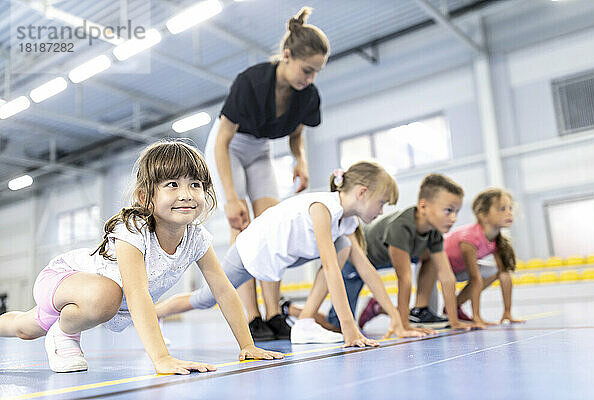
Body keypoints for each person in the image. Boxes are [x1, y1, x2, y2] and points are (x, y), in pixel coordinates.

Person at [0, 140, 283, 374]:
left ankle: (47, 326)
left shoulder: (196, 238)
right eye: (172, 184)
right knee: (106, 296)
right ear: (145, 195)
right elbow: (137, 293)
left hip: (91, 300)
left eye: (195, 184)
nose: (186, 194)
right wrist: (162, 358)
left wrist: (247, 344)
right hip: (64, 279)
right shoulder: (133, 230)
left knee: (25, 328)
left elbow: (223, 289)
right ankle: (65, 333)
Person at [156, 161, 422, 346]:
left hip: (278, 256)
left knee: (344, 246)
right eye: (382, 202)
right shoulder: (323, 209)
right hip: (250, 250)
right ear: (362, 193)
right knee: (205, 298)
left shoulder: (347, 222)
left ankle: (305, 322)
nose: (382, 210)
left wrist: (398, 321)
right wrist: (349, 328)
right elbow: (331, 270)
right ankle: (154, 314)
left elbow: (368, 271)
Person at [204, 6, 329, 341]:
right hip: (228, 146)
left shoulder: (308, 95)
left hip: (260, 150)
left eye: (317, 72)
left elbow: (297, 133)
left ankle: (274, 314)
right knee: (243, 227)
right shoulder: (251, 81)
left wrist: (299, 160)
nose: (310, 78)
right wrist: (230, 199)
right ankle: (252, 315)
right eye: (307, 69)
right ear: (286, 56)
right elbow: (222, 141)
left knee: (273, 226)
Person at [329, 174, 476, 331]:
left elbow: (447, 277)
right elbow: (404, 279)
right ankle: (302, 315)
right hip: (356, 259)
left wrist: (454, 321)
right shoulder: (401, 227)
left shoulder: (434, 233)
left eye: (457, 212)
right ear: (423, 206)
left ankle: (420, 309)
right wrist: (404, 325)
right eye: (448, 211)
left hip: (387, 256)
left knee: (432, 256)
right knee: (335, 326)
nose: (454, 218)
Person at [443, 188, 525, 325]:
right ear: (483, 215)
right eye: (502, 209)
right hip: (433, 269)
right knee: (427, 311)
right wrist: (477, 317)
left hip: (456, 270)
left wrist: (507, 312)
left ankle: (453, 307)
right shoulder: (470, 238)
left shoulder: (496, 240)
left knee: (499, 271)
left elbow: (504, 274)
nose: (509, 213)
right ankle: (451, 309)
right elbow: (475, 278)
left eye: (510, 208)